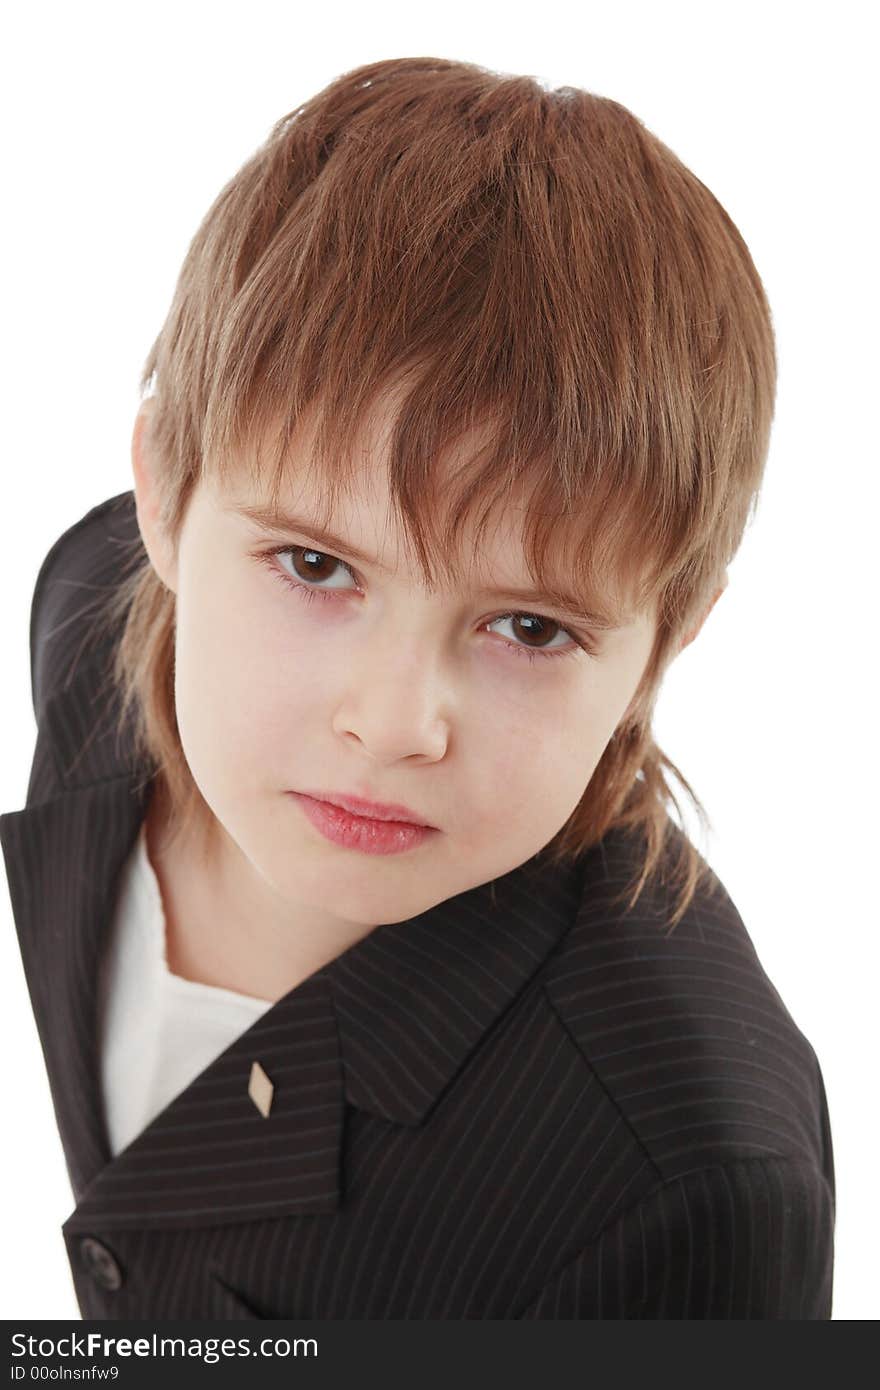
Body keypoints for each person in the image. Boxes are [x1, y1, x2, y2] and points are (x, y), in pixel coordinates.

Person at [0, 54, 834, 1320]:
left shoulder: (695, 1177)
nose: (391, 724)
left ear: (665, 641)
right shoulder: (84, 608)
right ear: (164, 504)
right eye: (316, 565)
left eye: (529, 626)